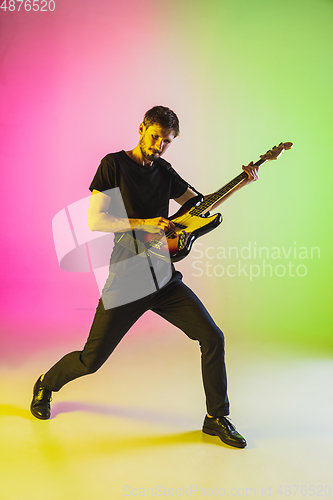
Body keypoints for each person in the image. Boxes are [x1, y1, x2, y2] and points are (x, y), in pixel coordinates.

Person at [30, 106, 259, 449]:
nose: (159, 146)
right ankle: (46, 383)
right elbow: (97, 221)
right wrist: (145, 223)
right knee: (91, 360)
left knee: (212, 337)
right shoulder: (114, 165)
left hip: (163, 279)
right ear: (141, 128)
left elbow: (196, 206)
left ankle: (215, 417)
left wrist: (240, 183)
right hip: (126, 280)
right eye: (155, 137)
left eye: (166, 141)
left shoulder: (164, 171)